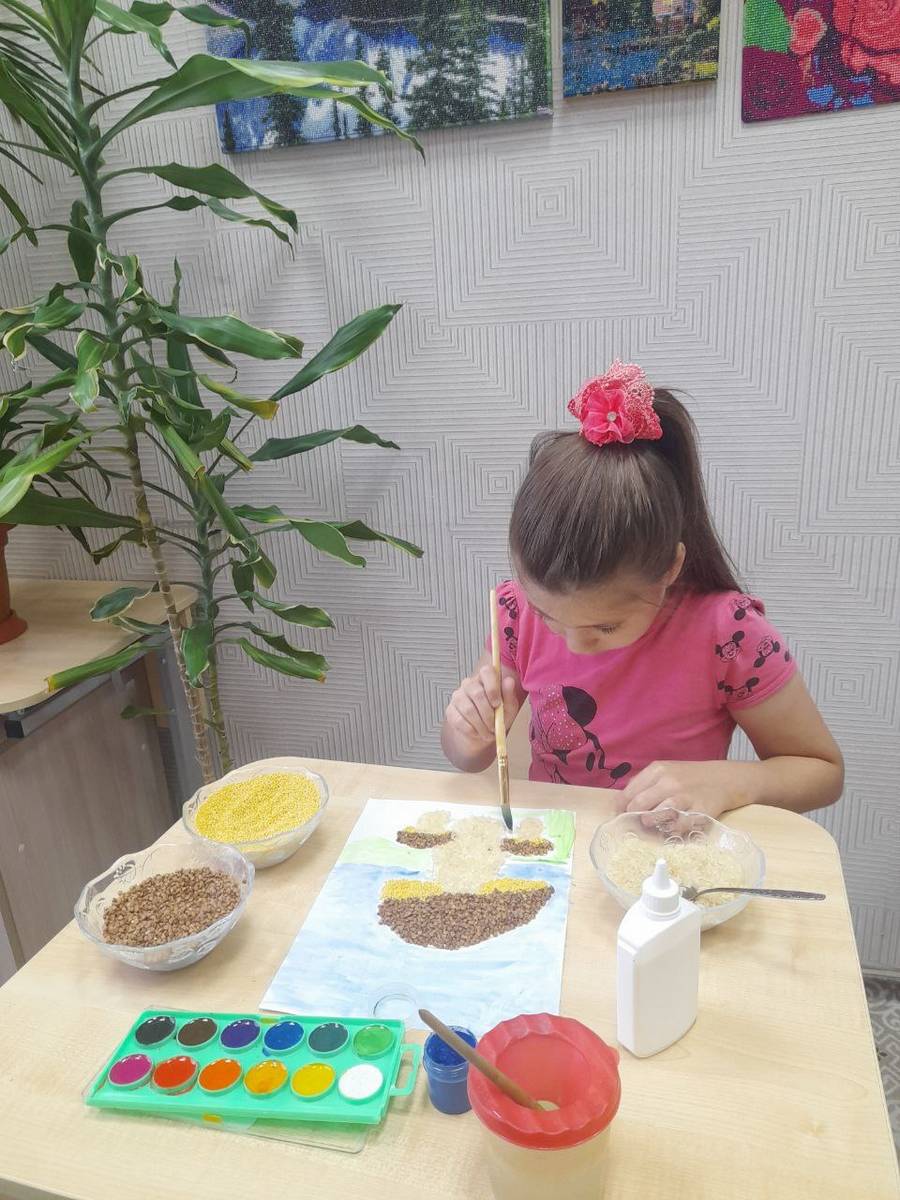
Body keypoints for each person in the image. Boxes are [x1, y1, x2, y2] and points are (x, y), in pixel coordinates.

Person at [441, 361, 843, 820]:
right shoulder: (516, 612)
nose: (574, 644)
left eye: (605, 626)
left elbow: (823, 772)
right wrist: (467, 732)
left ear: (670, 568)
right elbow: (469, 757)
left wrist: (732, 781)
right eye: (548, 616)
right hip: (556, 846)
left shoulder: (728, 633)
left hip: (666, 853)